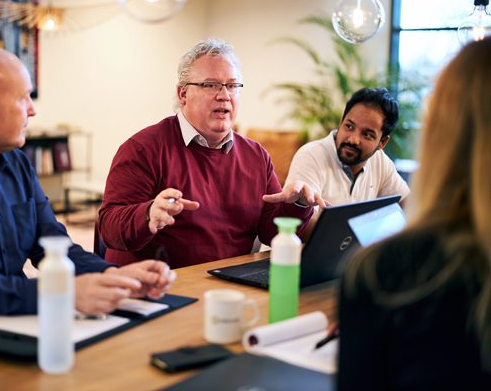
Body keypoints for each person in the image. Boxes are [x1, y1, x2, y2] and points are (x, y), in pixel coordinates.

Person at [0, 44, 174, 324]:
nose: (32, 110)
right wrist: (62, 294)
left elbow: (53, 246)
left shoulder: (16, 162)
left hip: (10, 324)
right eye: (24, 97)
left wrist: (113, 276)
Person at [337, 39, 491, 390]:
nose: (353, 137)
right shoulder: (314, 155)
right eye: (349, 126)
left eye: (367, 133)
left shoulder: (383, 274)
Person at [97, 39, 325, 269]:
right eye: (210, 85)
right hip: (159, 288)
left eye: (232, 85)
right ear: (182, 93)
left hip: (231, 282)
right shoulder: (143, 148)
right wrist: (147, 214)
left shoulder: (256, 155)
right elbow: (109, 229)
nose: (224, 95)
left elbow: (271, 233)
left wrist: (298, 205)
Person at [285, 87, 410, 206]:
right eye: (349, 126)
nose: (353, 140)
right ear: (341, 122)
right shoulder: (311, 156)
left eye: (367, 134)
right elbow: (304, 225)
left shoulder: (380, 161)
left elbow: (407, 204)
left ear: (382, 143)